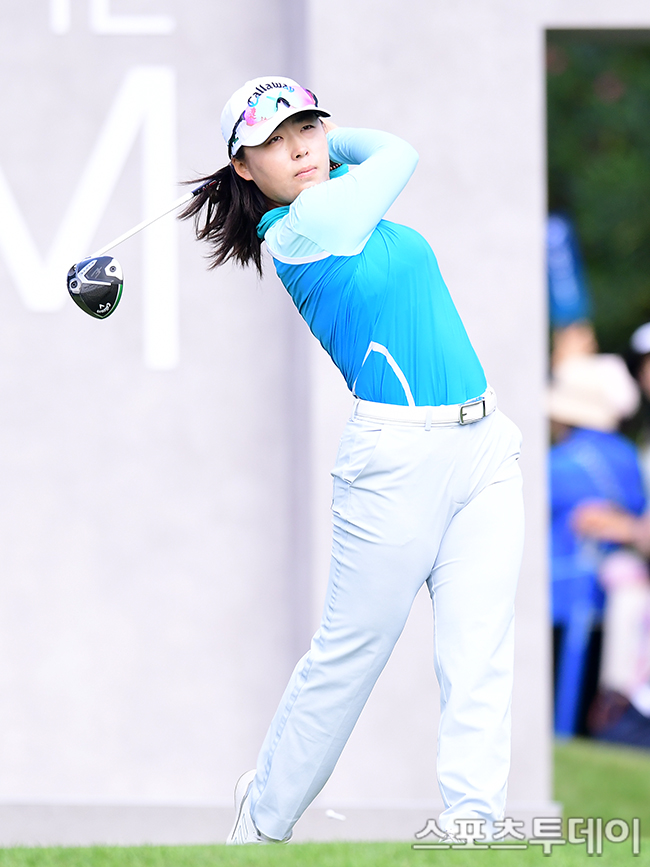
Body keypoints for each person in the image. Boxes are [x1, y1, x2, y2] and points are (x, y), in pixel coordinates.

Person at [181, 76, 524, 845]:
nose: (299, 147)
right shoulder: (300, 228)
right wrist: (334, 144)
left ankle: (474, 826)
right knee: (353, 652)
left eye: (306, 127)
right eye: (273, 141)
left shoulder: (346, 202)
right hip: (395, 459)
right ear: (243, 166)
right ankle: (262, 819)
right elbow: (398, 152)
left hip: (485, 446)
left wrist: (317, 142)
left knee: (479, 649)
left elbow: (377, 161)